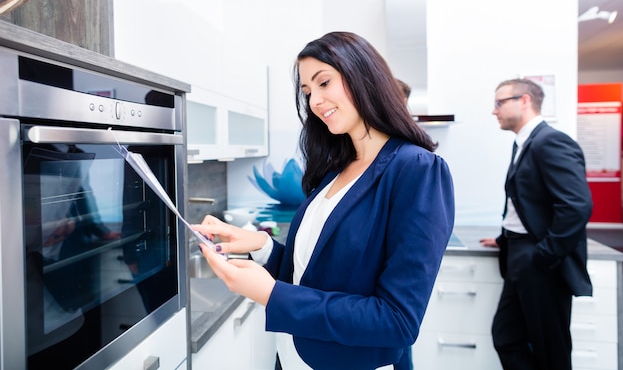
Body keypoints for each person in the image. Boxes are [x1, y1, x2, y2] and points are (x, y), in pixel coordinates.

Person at [192, 31, 455, 370]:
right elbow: (313, 273)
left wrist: (273, 295)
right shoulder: (338, 168)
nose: (315, 100)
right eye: (307, 91)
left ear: (363, 76)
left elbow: (396, 321)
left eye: (324, 82)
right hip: (292, 359)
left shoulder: (416, 170)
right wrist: (261, 245)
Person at [479, 78, 593, 370]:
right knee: (506, 336)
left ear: (525, 100)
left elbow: (576, 206)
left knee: (549, 347)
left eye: (499, 103)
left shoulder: (550, 141)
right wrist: (506, 238)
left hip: (539, 261)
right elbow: (528, 204)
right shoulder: (525, 143)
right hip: (520, 253)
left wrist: (544, 255)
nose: (494, 111)